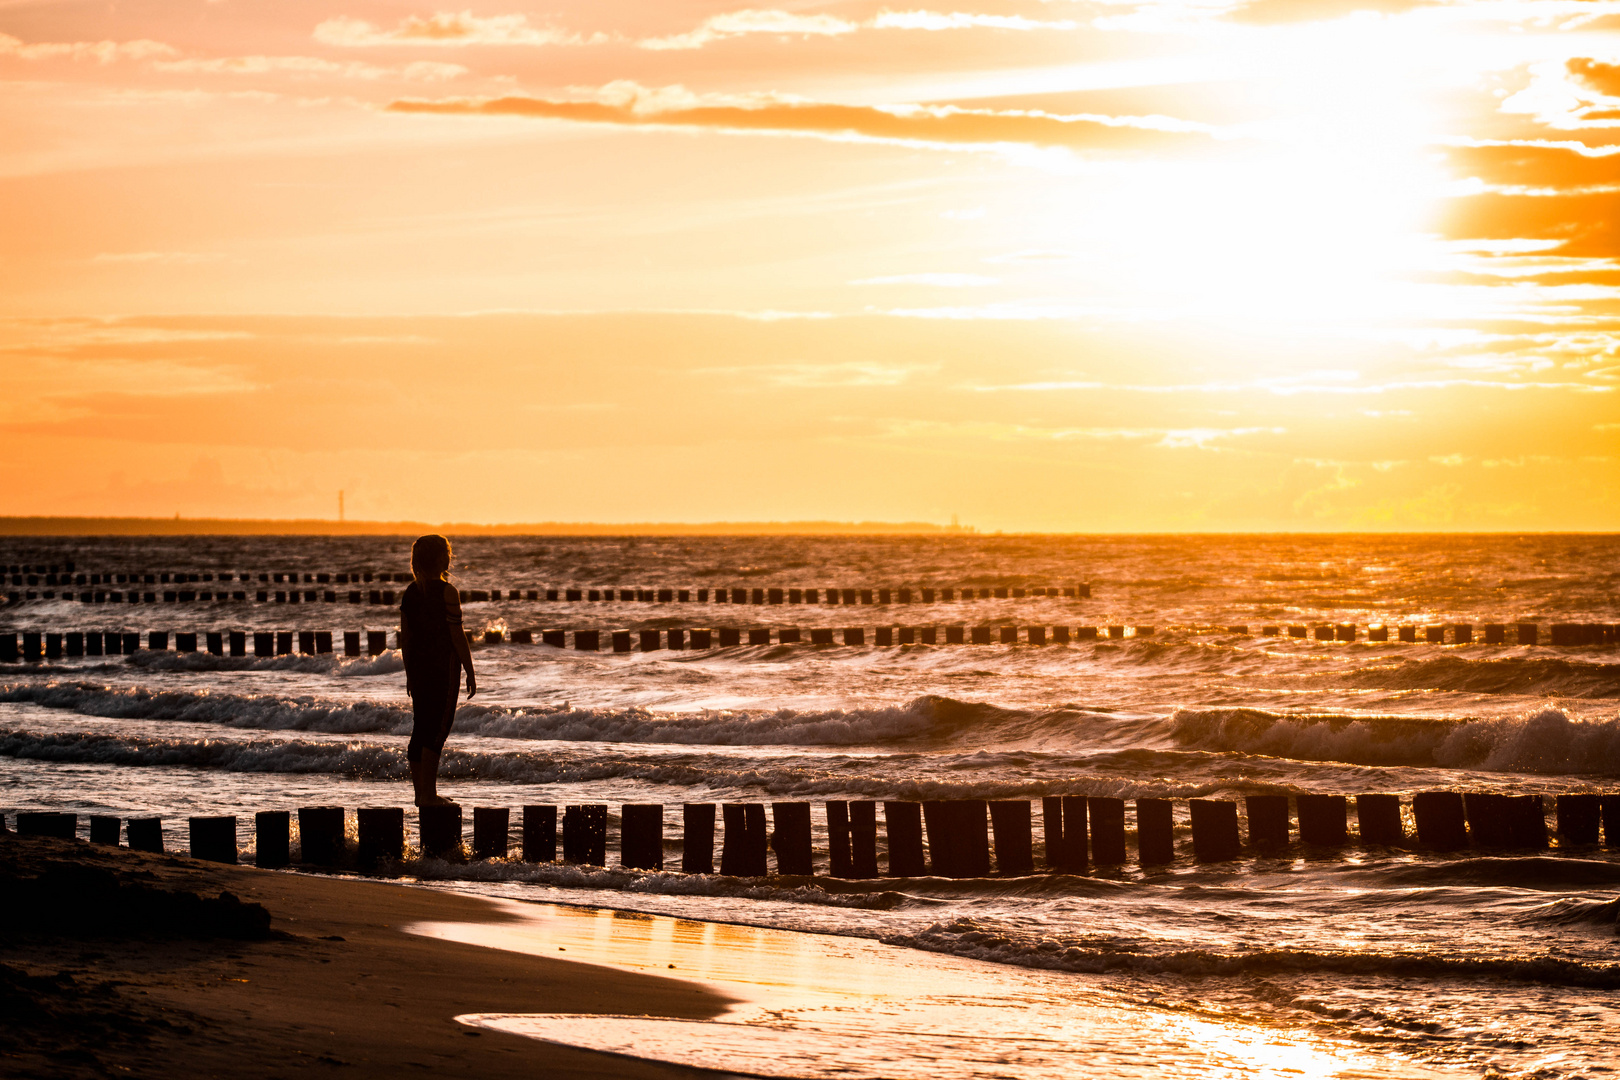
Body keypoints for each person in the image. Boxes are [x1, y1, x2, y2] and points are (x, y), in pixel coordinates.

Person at [398, 534, 476, 806]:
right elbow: (457, 635)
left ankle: (421, 794)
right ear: (441, 558)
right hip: (443, 669)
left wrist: (409, 673)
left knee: (420, 728)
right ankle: (428, 795)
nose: (449, 557)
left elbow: (405, 639)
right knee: (438, 729)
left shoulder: (411, 592)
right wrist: (470, 669)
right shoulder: (447, 592)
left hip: (419, 669)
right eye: (447, 553)